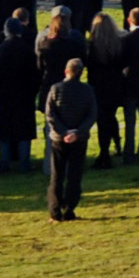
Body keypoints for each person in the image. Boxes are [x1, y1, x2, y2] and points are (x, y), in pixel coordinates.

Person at [42, 57, 96, 220]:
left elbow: (50, 114)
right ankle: (69, 208)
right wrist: (77, 132)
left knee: (57, 175)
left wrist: (64, 131)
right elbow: (92, 114)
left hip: (59, 138)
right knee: (75, 175)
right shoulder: (87, 90)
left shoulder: (56, 88)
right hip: (79, 139)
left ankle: (55, 211)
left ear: (66, 71)